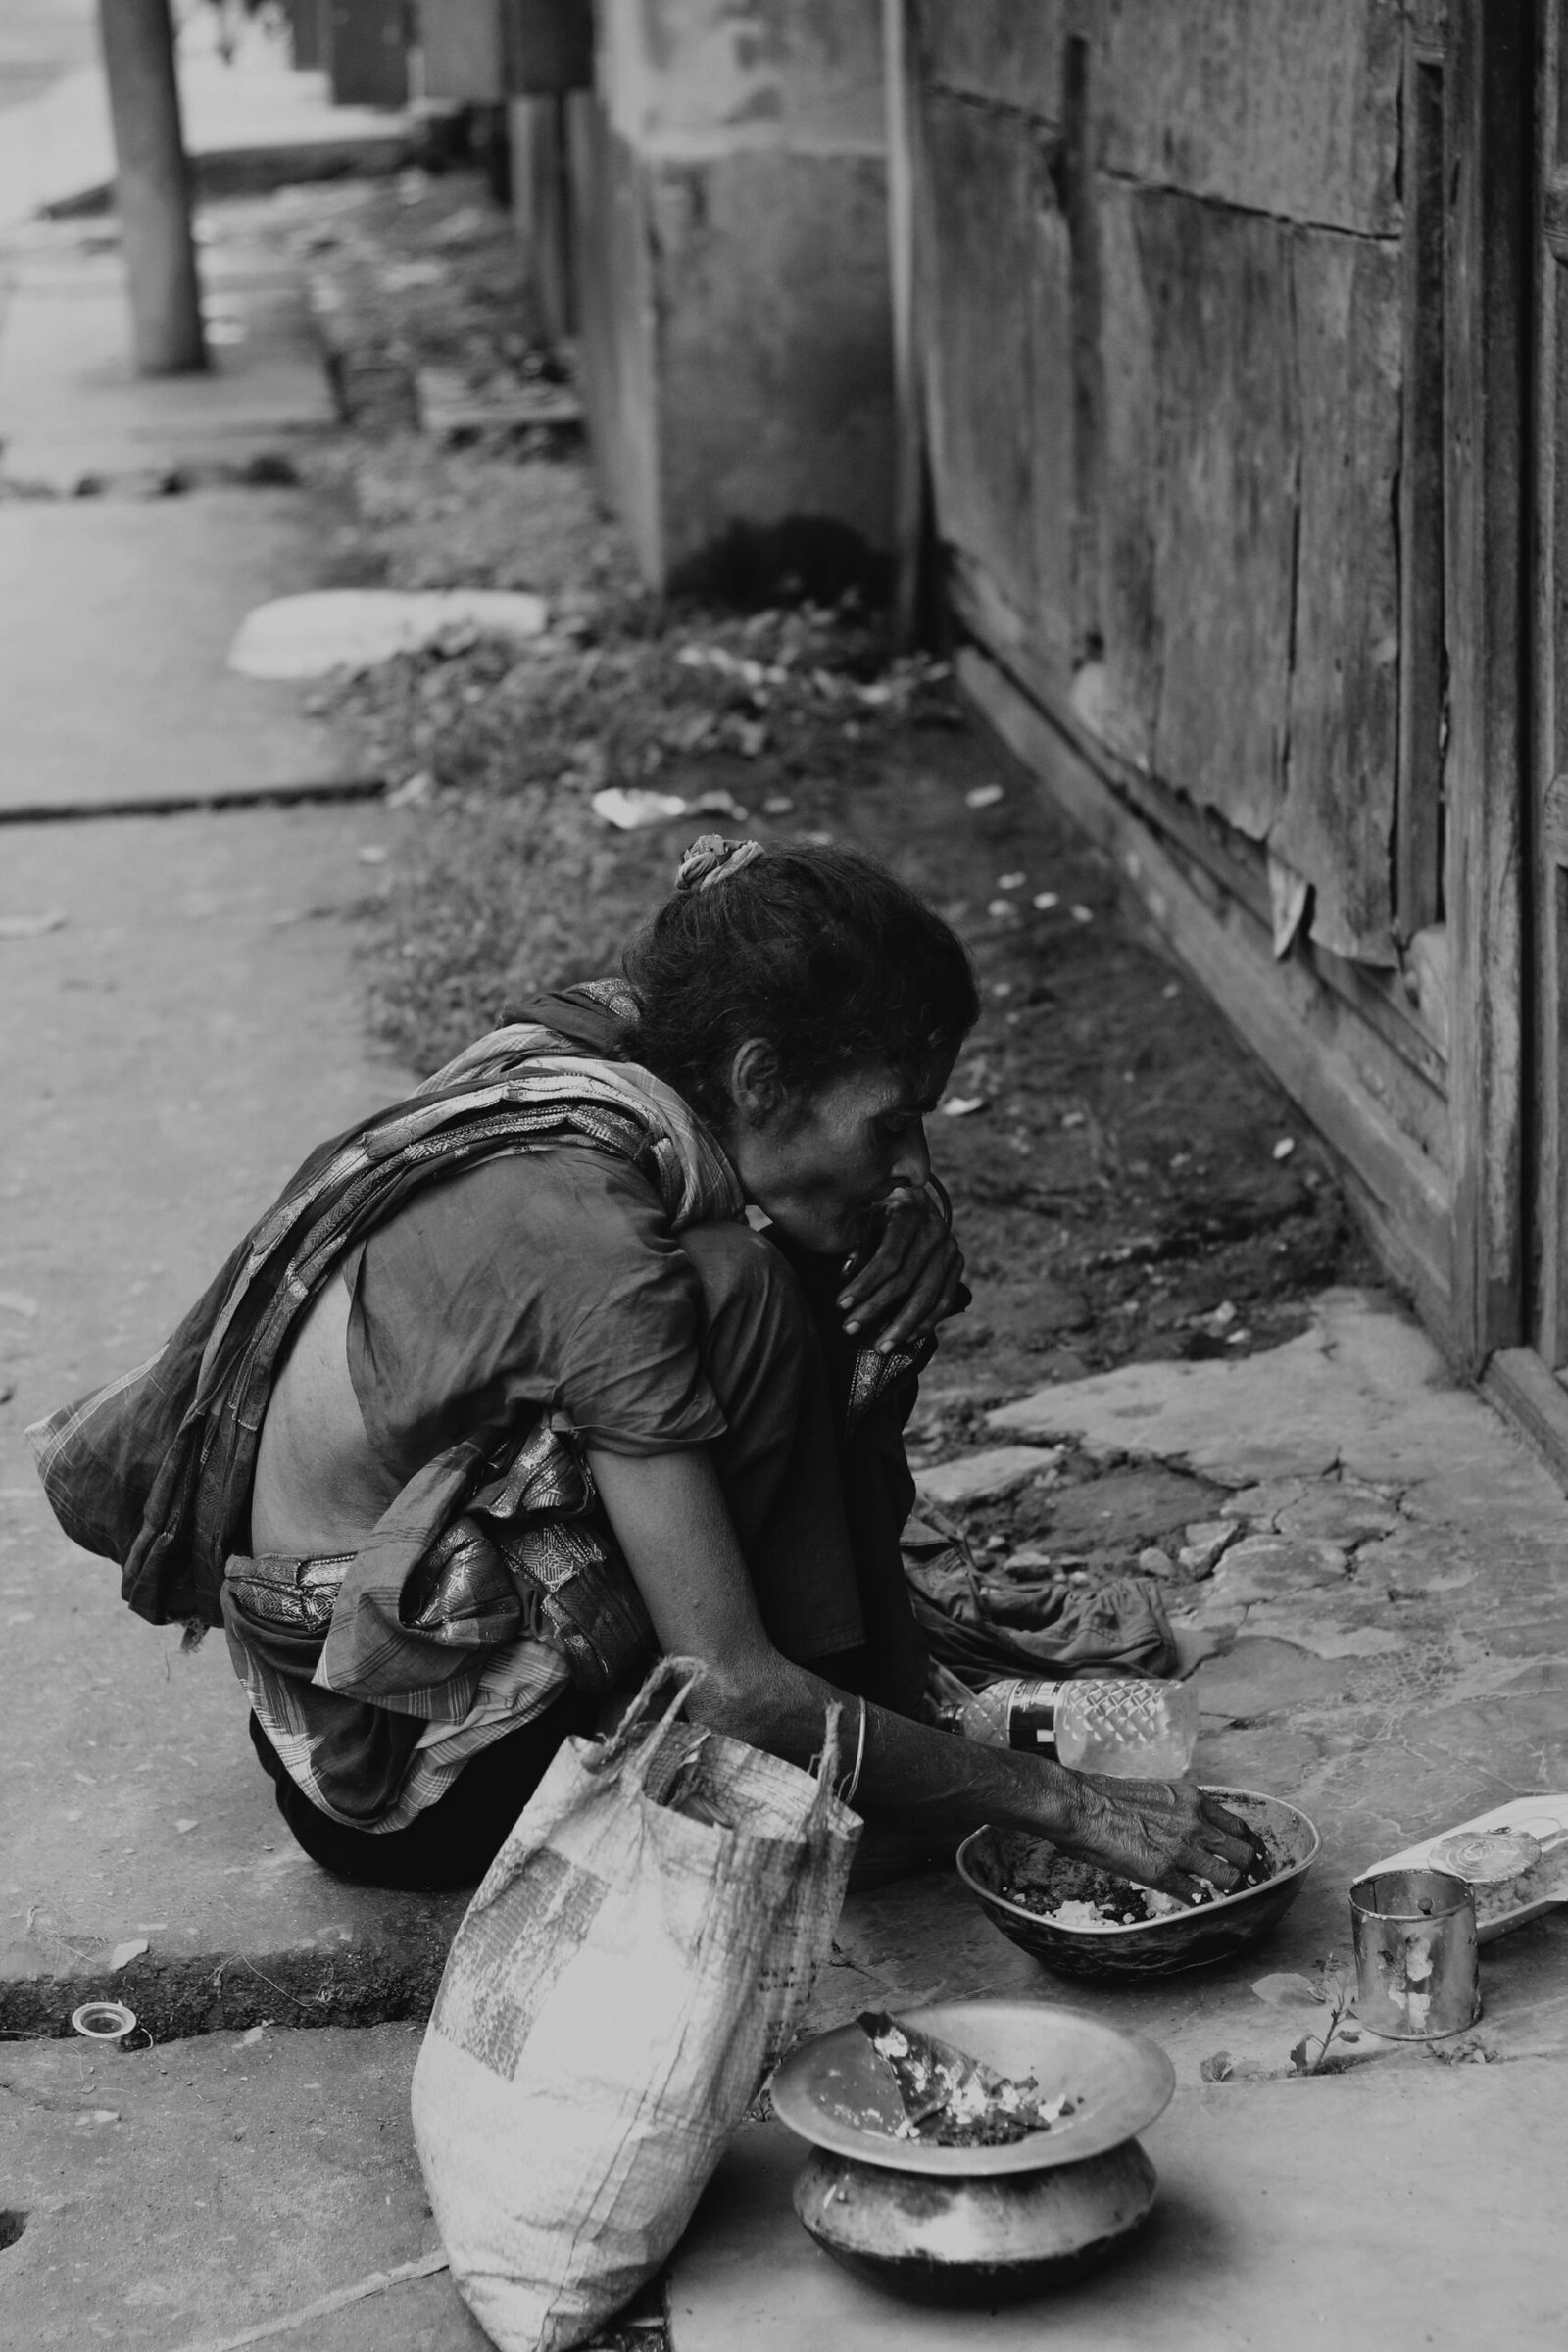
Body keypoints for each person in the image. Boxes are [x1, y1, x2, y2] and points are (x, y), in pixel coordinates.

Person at [30, 836, 1256, 1901]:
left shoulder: (623, 1049)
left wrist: (908, 1203)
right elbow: (724, 1686)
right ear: (760, 1079)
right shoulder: (602, 1252)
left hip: (347, 1703)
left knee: (749, 1275)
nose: (910, 1160)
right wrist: (1060, 1804)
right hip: (404, 1788)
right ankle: (834, 1769)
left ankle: (857, 1735)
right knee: (750, 1290)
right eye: (893, 1122)